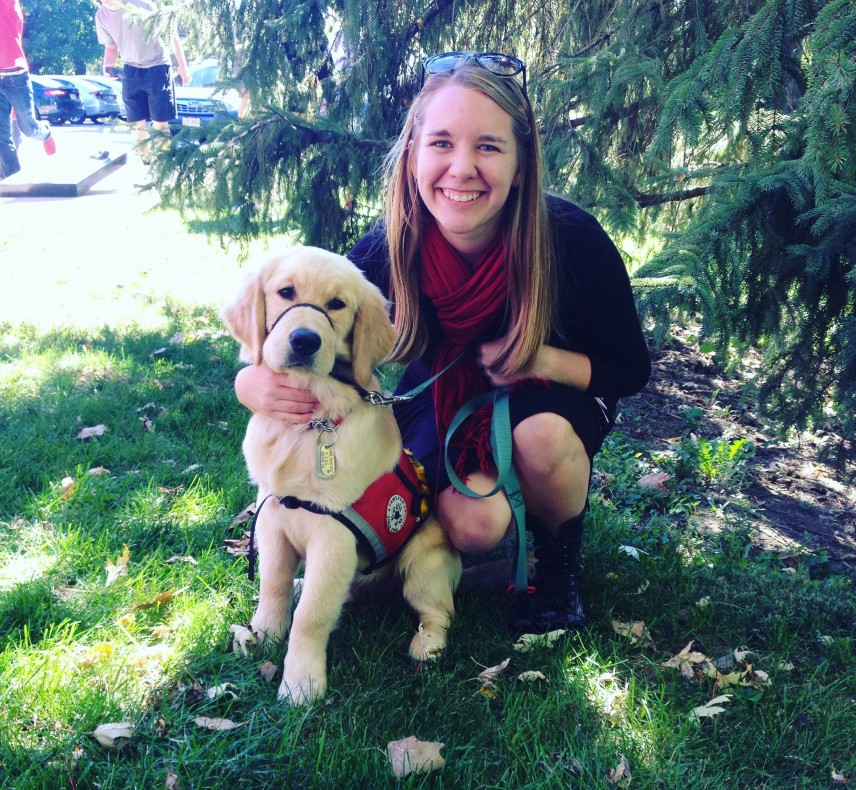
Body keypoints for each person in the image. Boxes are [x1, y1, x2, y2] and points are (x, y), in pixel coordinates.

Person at [234, 51, 651, 637]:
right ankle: (421, 558)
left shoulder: (570, 238)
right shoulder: (390, 245)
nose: (462, 168)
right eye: (441, 143)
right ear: (412, 155)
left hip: (551, 392)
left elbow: (629, 369)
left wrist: (541, 359)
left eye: (488, 146)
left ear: (522, 164)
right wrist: (251, 380)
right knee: (467, 524)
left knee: (540, 436)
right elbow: (319, 337)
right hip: (444, 391)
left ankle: (557, 568)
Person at [95, 0, 188, 161]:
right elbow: (111, 47)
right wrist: (107, 65)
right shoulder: (101, 15)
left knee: (159, 123)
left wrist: (182, 65)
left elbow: (171, 32)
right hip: (131, 70)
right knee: (137, 124)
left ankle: (163, 165)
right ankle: (146, 162)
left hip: (158, 66)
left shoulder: (142, 3)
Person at [0, 0, 55, 180]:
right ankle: (10, 178)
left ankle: (46, 132)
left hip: (16, 77)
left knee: (28, 128)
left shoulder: (7, 6)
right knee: (1, 136)